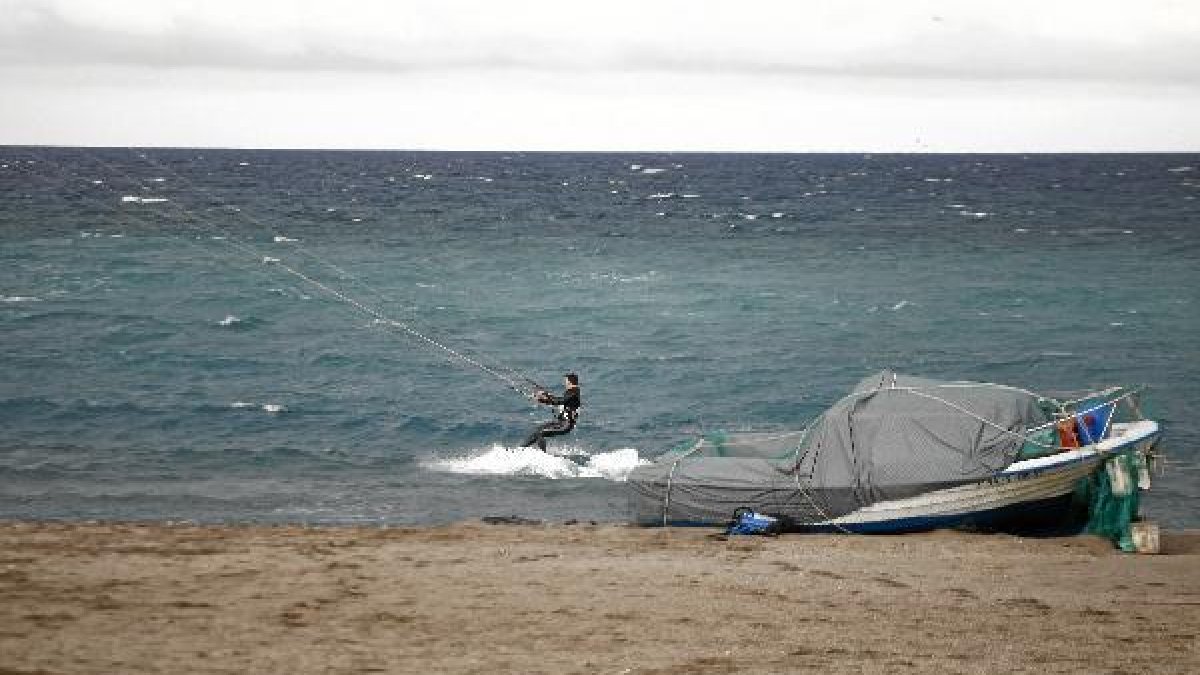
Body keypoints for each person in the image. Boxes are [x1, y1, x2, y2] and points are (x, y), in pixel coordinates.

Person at [521, 373, 581, 452]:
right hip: (560, 422)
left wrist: (544, 397)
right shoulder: (571, 392)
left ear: (570, 382)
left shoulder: (573, 393)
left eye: (566, 381)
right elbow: (557, 401)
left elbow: (560, 401)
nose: (565, 383)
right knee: (538, 430)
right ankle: (521, 449)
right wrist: (543, 398)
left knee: (541, 433)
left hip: (566, 424)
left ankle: (543, 455)